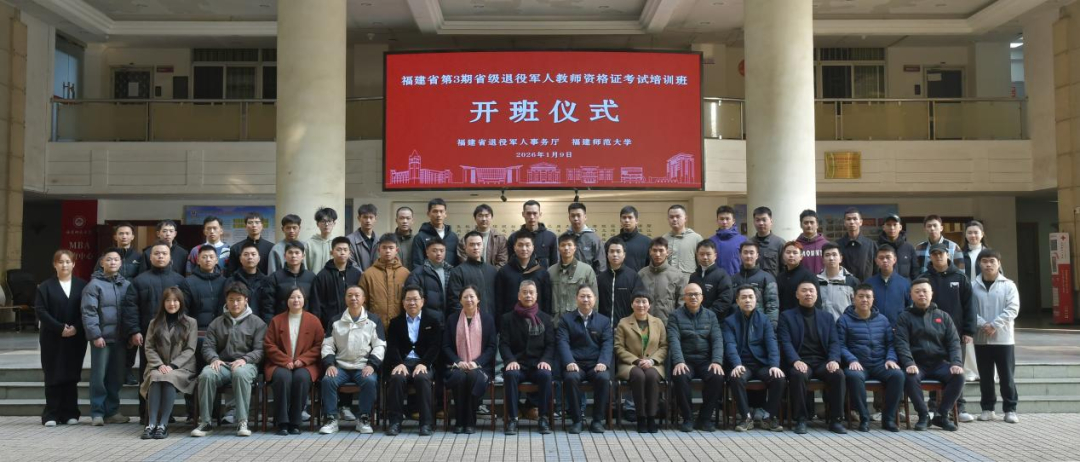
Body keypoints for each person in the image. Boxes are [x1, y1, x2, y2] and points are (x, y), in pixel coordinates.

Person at [191, 281, 267, 438]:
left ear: (246, 300)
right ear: (226, 300)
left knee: (240, 373)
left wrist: (245, 359)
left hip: (247, 365)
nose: (235, 303)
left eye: (239, 299)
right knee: (206, 374)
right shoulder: (216, 323)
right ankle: (205, 422)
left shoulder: (257, 323)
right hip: (223, 365)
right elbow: (207, 347)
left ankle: (242, 421)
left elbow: (260, 350)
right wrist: (214, 358)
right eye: (231, 299)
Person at [122, 241, 185, 422]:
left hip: (174, 337)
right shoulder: (139, 281)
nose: (160, 256)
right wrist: (134, 331)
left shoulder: (179, 281)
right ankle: (146, 413)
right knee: (147, 374)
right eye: (156, 253)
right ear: (150, 257)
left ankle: (167, 414)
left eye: (164, 253)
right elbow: (131, 308)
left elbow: (186, 309)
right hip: (148, 336)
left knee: (170, 374)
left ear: (170, 257)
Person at [894, 278, 965, 432]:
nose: (922, 294)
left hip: (939, 363)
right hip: (917, 363)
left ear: (931, 294)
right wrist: (908, 362)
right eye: (917, 292)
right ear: (911, 295)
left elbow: (954, 342)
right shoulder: (904, 317)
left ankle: (942, 415)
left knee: (958, 376)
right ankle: (923, 415)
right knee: (910, 377)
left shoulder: (943, 316)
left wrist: (956, 363)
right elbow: (901, 343)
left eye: (925, 291)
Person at [777, 281, 847, 434]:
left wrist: (833, 360)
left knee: (838, 374)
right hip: (800, 360)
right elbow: (785, 342)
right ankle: (801, 419)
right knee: (798, 374)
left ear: (816, 295)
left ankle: (836, 420)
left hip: (822, 361)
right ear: (797, 295)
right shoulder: (786, 316)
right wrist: (795, 360)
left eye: (811, 291)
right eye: (804, 291)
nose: (808, 293)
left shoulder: (827, 317)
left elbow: (834, 342)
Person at [919, 242, 976, 422]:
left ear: (948, 255)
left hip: (956, 334)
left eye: (941, 254)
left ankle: (959, 407)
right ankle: (934, 406)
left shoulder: (960, 277)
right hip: (931, 334)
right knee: (935, 369)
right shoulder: (924, 278)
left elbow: (970, 306)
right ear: (930, 257)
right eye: (934, 254)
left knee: (956, 369)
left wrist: (969, 330)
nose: (938, 257)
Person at [836, 284, 904, 433]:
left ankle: (888, 419)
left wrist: (890, 359)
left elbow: (891, 344)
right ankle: (864, 418)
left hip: (880, 363)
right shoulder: (844, 320)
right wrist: (852, 360)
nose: (864, 300)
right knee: (854, 376)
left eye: (868, 297)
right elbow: (840, 345)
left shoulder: (883, 320)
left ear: (873, 299)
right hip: (858, 364)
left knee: (898, 375)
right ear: (854, 298)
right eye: (861, 296)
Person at [318, 286, 385, 435]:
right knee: (328, 380)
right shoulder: (335, 321)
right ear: (345, 299)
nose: (353, 298)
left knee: (369, 381)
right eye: (350, 295)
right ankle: (331, 419)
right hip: (341, 366)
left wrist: (372, 365)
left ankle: (363, 418)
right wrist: (329, 364)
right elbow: (327, 345)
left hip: (363, 366)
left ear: (363, 299)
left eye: (357, 295)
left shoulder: (373, 320)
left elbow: (379, 345)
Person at [35, 249, 88, 427]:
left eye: (68, 261)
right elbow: (41, 311)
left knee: (71, 374)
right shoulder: (45, 287)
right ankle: (51, 414)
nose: (64, 265)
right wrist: (60, 328)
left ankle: (70, 413)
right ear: (54, 264)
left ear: (73, 264)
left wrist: (75, 327)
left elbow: (86, 310)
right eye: (60, 262)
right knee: (53, 374)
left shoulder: (82, 286)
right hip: (52, 337)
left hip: (76, 337)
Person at [81, 248, 132, 426]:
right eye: (108, 259)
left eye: (116, 259)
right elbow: (89, 312)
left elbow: (130, 311)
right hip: (101, 339)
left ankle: (113, 411)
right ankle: (97, 412)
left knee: (116, 377)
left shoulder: (126, 285)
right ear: (102, 263)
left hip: (120, 339)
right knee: (99, 377)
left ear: (121, 263)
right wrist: (95, 335)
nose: (112, 262)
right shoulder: (94, 285)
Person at [264, 287, 325, 435]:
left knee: (301, 378)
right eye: (292, 297)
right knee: (282, 377)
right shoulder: (277, 320)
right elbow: (269, 345)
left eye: (299, 297)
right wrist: (285, 360)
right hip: (280, 363)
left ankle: (295, 422)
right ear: (286, 301)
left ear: (304, 300)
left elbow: (319, 345)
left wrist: (303, 360)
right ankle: (282, 422)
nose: (296, 300)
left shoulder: (313, 320)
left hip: (306, 364)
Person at [724, 285, 785, 432]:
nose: (747, 300)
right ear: (737, 301)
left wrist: (774, 365)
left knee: (779, 378)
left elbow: (772, 343)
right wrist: (736, 364)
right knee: (736, 377)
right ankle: (746, 417)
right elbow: (730, 345)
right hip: (743, 364)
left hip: (762, 364)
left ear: (756, 299)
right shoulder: (729, 321)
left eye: (751, 297)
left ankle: (768, 417)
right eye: (743, 297)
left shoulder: (764, 320)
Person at [139, 287, 197, 440]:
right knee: (156, 377)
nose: (172, 304)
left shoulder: (191, 323)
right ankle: (151, 424)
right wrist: (159, 365)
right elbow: (149, 347)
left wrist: (173, 366)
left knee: (168, 377)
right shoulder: (154, 323)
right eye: (168, 300)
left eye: (175, 300)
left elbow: (190, 349)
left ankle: (163, 424)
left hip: (182, 368)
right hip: (158, 366)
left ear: (181, 302)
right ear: (163, 303)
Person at [384, 285, 442, 436]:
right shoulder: (396, 323)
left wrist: (424, 363)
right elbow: (392, 346)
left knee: (422, 378)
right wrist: (398, 363)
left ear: (422, 301)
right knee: (396, 378)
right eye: (408, 299)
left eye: (415, 299)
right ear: (403, 303)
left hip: (423, 363)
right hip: (403, 362)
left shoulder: (432, 321)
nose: (412, 303)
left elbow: (435, 347)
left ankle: (426, 424)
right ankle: (395, 422)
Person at [971, 249, 1020, 424]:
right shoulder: (972, 286)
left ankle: (1010, 409)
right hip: (981, 338)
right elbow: (969, 310)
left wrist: (994, 325)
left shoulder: (1009, 285)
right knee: (985, 376)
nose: (988, 264)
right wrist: (983, 324)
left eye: (992, 261)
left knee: (1006, 376)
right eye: (984, 261)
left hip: (1004, 339)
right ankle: (987, 409)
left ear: (999, 263)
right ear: (979, 264)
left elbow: (1012, 309)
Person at [668, 283, 725, 432]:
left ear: (702, 297)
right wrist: (679, 361)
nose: (693, 297)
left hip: (705, 360)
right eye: (690, 294)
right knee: (680, 375)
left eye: (696, 294)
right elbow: (673, 340)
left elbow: (717, 340)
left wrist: (716, 361)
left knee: (717, 376)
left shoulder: (710, 316)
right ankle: (687, 418)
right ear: (684, 297)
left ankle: (704, 418)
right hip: (685, 360)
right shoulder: (675, 316)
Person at [500, 280, 555, 435]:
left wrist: (545, 360)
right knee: (510, 374)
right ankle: (512, 418)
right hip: (518, 363)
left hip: (538, 364)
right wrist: (510, 360)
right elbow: (503, 344)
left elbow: (551, 344)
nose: (528, 295)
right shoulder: (507, 318)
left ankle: (543, 417)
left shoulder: (545, 319)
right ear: (519, 295)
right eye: (525, 292)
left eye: (531, 292)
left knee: (546, 374)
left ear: (536, 296)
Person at [557, 285, 612, 434]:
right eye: (582, 296)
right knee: (571, 378)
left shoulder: (604, 321)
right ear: (576, 298)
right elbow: (562, 342)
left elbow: (607, 343)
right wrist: (569, 361)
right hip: (575, 364)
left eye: (589, 296)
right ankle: (577, 420)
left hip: (596, 364)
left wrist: (603, 362)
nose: (585, 299)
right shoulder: (566, 319)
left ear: (595, 299)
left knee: (603, 378)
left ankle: (597, 420)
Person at [443, 286, 496, 434]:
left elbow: (492, 347)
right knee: (460, 376)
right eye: (465, 297)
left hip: (481, 367)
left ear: (478, 299)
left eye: (472, 296)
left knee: (472, 375)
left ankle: (470, 422)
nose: (469, 300)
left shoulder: (487, 319)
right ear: (460, 300)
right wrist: (458, 361)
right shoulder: (452, 319)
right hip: (456, 366)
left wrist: (477, 363)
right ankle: (459, 421)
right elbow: (446, 346)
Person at [614, 293, 667, 433]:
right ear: (632, 304)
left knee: (651, 376)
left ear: (649, 305)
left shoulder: (658, 323)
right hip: (630, 364)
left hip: (653, 364)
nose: (641, 305)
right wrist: (636, 361)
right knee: (638, 375)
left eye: (644, 302)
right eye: (637, 301)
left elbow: (664, 346)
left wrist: (652, 361)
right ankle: (641, 417)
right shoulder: (623, 323)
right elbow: (619, 347)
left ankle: (651, 417)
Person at [358, 233, 410, 327]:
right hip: (375, 326)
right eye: (384, 248)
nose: (387, 251)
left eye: (391, 248)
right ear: (379, 250)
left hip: (400, 326)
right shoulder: (368, 274)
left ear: (396, 250)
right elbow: (362, 302)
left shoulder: (405, 273)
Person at [495, 234, 553, 317]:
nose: (524, 249)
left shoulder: (542, 272)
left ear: (533, 247)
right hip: (511, 320)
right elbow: (499, 301)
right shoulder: (504, 272)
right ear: (514, 247)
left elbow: (547, 301)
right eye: (520, 245)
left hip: (537, 320)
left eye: (527, 245)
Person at [312, 237, 363, 330]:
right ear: (332, 252)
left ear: (349, 253)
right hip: (330, 324)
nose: (342, 253)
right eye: (339, 250)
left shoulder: (356, 274)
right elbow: (316, 303)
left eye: (345, 250)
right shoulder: (322, 276)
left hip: (354, 323)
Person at [261, 241, 317, 323]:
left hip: (305, 322)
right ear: (284, 256)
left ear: (303, 256)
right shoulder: (275, 277)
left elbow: (315, 304)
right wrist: (270, 324)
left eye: (297, 253)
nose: (293, 256)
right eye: (290, 252)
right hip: (281, 322)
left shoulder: (311, 277)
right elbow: (268, 304)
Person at [550, 234, 599, 324]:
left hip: (579, 322)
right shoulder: (551, 271)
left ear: (575, 248)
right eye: (563, 245)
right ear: (558, 248)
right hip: (556, 322)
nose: (566, 248)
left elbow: (594, 298)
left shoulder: (586, 270)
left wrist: (592, 321)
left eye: (569, 245)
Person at [637, 237, 687, 324]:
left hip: (669, 324)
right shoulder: (641, 274)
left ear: (667, 252)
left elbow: (682, 302)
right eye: (654, 250)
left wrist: (677, 323)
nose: (657, 254)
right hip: (645, 323)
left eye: (661, 250)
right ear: (650, 252)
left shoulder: (677, 275)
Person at [448, 231, 499, 315]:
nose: (476, 247)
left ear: (483, 246)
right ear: (465, 247)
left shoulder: (492, 270)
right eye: (472, 244)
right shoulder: (458, 271)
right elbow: (455, 301)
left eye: (478, 244)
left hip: (492, 319)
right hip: (469, 319)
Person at [731, 242, 780, 328]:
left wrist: (770, 329)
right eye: (745, 252)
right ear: (740, 255)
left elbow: (772, 307)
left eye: (751, 253)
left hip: (759, 326)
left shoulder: (767, 278)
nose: (748, 256)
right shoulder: (733, 279)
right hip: (737, 326)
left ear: (757, 255)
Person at [180, 245, 226, 332]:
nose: (208, 260)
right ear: (198, 260)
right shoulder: (188, 282)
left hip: (220, 330)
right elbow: (184, 309)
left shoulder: (224, 282)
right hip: (196, 330)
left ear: (216, 260)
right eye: (204, 257)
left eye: (211, 257)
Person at [597, 238, 646, 322]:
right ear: (607, 254)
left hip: (627, 326)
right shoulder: (600, 278)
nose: (615, 254)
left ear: (624, 254)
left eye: (618, 251)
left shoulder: (633, 277)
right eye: (612, 251)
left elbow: (639, 302)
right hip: (604, 326)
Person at [405, 237, 453, 318]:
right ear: (427, 252)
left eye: (442, 251)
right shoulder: (417, 273)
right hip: (427, 319)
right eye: (434, 250)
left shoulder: (450, 271)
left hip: (448, 317)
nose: (438, 253)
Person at [866, 245, 912, 326]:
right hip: (874, 328)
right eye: (881, 258)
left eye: (888, 257)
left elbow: (910, 308)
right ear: (876, 261)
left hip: (898, 328)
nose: (885, 260)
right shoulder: (868, 284)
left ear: (894, 259)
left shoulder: (905, 284)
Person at [689, 240, 734, 320]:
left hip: (715, 321)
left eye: (708, 254)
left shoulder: (722, 275)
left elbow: (725, 300)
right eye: (702, 254)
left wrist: (706, 315)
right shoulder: (693, 276)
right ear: (697, 255)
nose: (705, 257)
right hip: (693, 319)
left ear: (715, 256)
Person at [507, 200, 558, 268]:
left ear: (540, 214)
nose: (531, 217)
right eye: (528, 213)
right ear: (523, 214)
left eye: (535, 213)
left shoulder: (551, 236)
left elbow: (554, 263)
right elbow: (510, 262)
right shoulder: (514, 237)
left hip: (544, 274)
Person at [226, 242, 269, 321]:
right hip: (237, 323)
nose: (250, 257)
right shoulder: (232, 280)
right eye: (246, 254)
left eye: (253, 254)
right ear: (240, 259)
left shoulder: (266, 281)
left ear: (259, 258)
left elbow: (268, 307)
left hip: (260, 324)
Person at [455, 204, 508, 269]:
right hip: (471, 274)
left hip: (494, 274)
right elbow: (464, 260)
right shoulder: (465, 239)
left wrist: (491, 273)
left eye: (487, 216)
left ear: (491, 217)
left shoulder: (500, 239)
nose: (484, 219)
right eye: (480, 215)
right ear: (475, 218)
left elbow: (502, 262)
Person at [412, 198, 459, 270]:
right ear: (428, 213)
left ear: (445, 214)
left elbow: (457, 262)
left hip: (450, 275)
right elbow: (417, 264)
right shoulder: (420, 237)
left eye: (441, 211)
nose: (438, 215)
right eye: (435, 211)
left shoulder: (453, 237)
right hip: (428, 276)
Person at [818, 242, 859, 321]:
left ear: (840, 258)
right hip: (822, 325)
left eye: (834, 254)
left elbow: (857, 307)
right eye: (827, 255)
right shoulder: (816, 280)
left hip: (845, 326)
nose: (831, 258)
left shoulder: (852, 281)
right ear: (822, 259)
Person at [562, 202, 605, 273]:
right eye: (573, 216)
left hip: (587, 279)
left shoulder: (594, 239)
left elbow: (600, 266)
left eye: (578, 215)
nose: (576, 219)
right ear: (569, 218)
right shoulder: (563, 238)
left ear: (585, 217)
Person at [837, 207, 877, 282]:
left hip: (866, 287)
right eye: (848, 219)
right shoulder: (837, 245)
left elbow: (877, 270)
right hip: (843, 287)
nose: (852, 222)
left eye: (855, 219)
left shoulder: (871, 245)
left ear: (861, 222)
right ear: (844, 222)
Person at [608, 205, 652, 273]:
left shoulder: (647, 242)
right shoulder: (611, 242)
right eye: (624, 217)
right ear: (620, 220)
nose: (627, 220)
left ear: (636, 221)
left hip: (639, 279)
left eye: (630, 217)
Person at [777, 241, 817, 312]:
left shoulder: (808, 276)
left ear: (801, 257)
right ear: (783, 256)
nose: (791, 255)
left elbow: (816, 302)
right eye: (788, 252)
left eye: (795, 253)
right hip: (782, 316)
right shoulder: (780, 277)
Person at [663, 204, 703, 276]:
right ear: (668, 219)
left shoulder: (696, 238)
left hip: (689, 280)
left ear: (685, 218)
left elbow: (702, 264)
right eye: (671, 217)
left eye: (678, 216)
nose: (674, 219)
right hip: (668, 280)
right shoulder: (664, 239)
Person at [878, 214, 919, 281]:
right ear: (883, 227)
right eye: (888, 225)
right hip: (883, 285)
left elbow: (915, 271)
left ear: (900, 227)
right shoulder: (877, 247)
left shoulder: (909, 247)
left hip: (906, 286)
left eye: (895, 225)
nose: (892, 228)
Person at [708, 205, 746, 275]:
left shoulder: (743, 240)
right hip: (717, 279)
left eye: (727, 219)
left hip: (737, 279)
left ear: (733, 221)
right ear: (717, 221)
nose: (724, 222)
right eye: (721, 219)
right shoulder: (711, 241)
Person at [750, 206, 785, 277]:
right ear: (754, 222)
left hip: (773, 282)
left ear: (771, 221)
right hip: (752, 282)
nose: (761, 223)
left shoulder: (779, 243)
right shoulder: (749, 243)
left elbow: (784, 268)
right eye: (757, 220)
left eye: (764, 220)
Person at [347, 203, 380, 271]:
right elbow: (350, 262)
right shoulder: (349, 240)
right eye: (365, 217)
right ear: (359, 218)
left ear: (375, 219)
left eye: (371, 217)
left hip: (377, 277)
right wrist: (365, 275)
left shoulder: (380, 241)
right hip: (357, 277)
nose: (368, 220)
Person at [305, 207, 338, 272]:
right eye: (323, 221)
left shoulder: (337, 243)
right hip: (314, 277)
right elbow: (305, 267)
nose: (326, 224)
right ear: (317, 224)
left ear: (334, 223)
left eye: (329, 221)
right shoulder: (309, 244)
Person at [795, 210, 827, 275]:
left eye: (812, 222)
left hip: (823, 280)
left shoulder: (826, 245)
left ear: (817, 225)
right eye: (806, 223)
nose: (809, 225)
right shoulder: (795, 246)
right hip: (802, 280)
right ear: (801, 225)